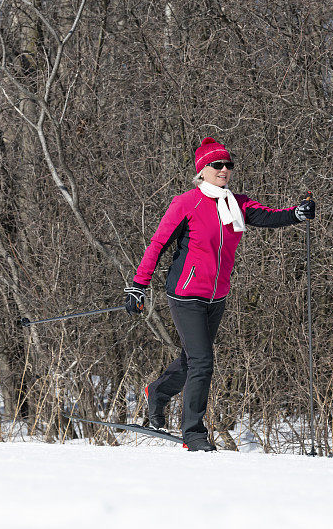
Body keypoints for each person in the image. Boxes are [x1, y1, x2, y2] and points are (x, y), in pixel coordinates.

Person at [124, 137, 315, 451]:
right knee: (203, 362)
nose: (224, 170)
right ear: (202, 170)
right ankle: (193, 433)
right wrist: (139, 284)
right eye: (217, 165)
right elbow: (158, 244)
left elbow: (268, 216)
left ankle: (157, 391)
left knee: (191, 359)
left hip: (217, 294)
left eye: (228, 164)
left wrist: (298, 213)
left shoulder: (237, 204)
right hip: (186, 292)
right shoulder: (186, 202)